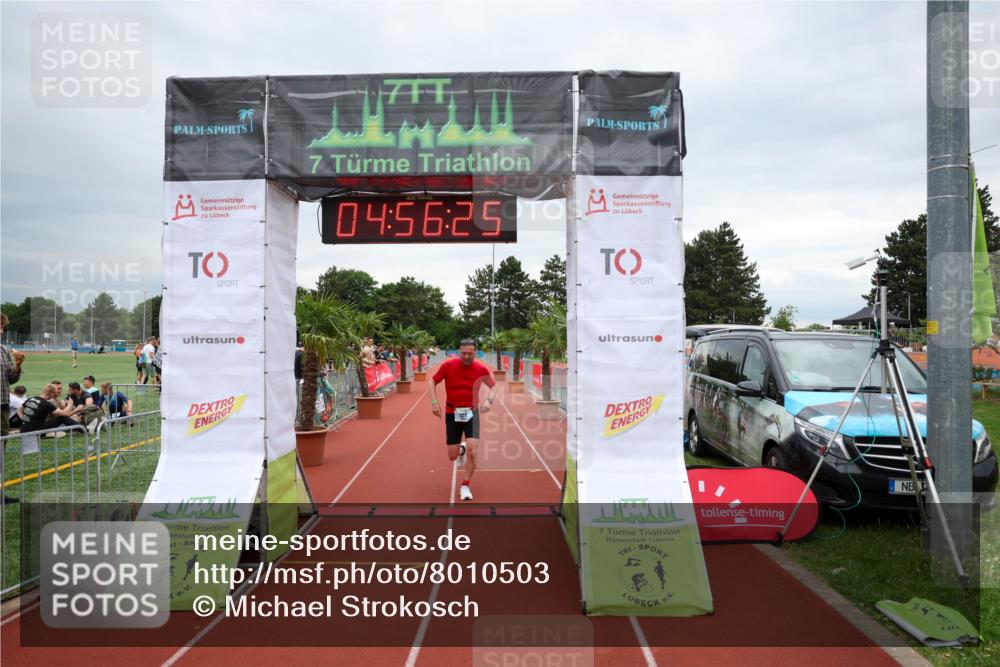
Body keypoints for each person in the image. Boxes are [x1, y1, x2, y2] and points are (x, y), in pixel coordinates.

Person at [428, 338, 498, 501]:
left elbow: (493, 386)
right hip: (452, 412)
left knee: (474, 450)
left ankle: (465, 485)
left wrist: (489, 400)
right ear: (460, 352)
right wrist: (434, 402)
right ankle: (462, 450)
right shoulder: (448, 366)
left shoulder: (480, 368)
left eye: (470, 354)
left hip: (472, 413)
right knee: (452, 456)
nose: (466, 356)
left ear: (475, 353)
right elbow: (432, 381)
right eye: (464, 353)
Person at [1, 313, 25, 503]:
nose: (2, 331)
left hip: (2, 407)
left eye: (3, 327)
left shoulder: (3, 350)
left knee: (0, 449)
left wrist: (18, 365)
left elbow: (11, 378)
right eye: (0, 326)